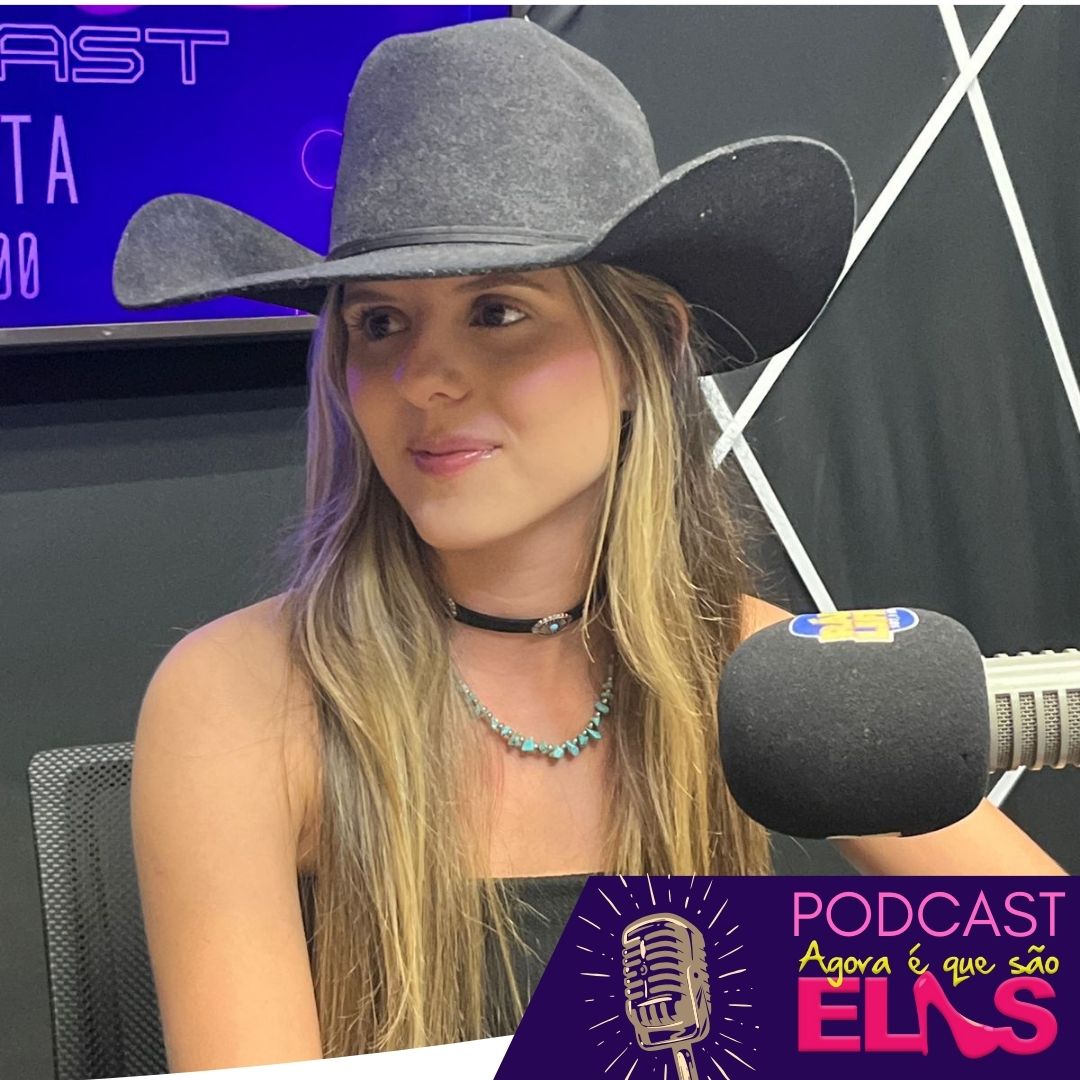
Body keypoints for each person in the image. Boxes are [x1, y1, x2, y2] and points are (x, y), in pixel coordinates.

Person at [115, 15, 1065, 1074]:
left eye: (497, 312)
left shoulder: (764, 677)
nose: (423, 379)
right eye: (378, 323)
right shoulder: (241, 702)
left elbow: (1044, 978)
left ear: (644, 349)